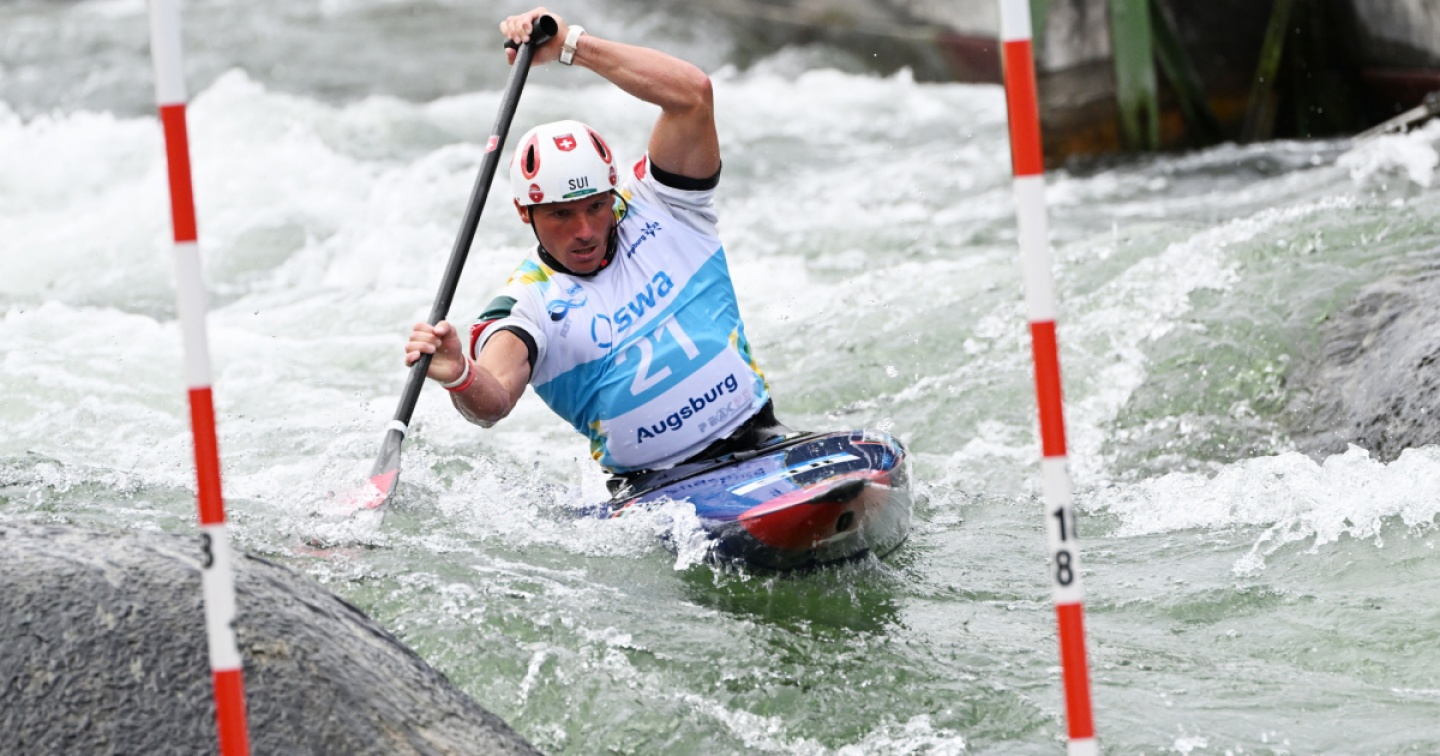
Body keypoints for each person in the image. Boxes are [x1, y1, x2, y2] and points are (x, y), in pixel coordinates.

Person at [404, 7, 789, 494]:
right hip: (656, 493)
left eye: (595, 207)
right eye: (561, 215)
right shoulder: (528, 304)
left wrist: (572, 45)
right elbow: (495, 399)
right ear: (525, 212)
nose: (585, 230)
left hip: (761, 441)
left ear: (612, 192)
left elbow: (692, 96)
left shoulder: (663, 206)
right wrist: (459, 373)